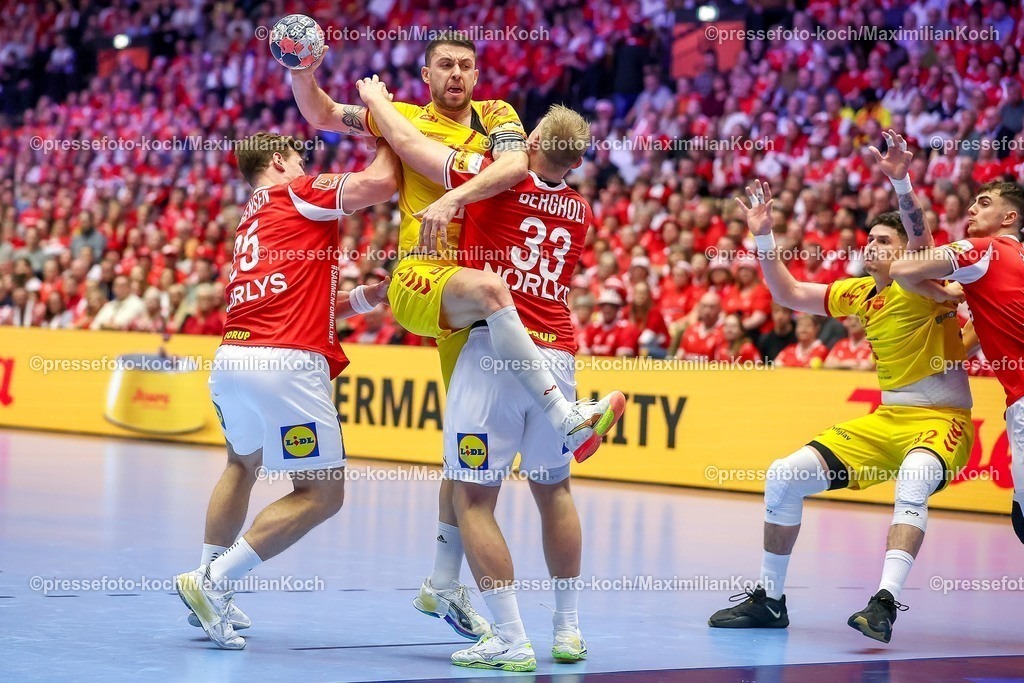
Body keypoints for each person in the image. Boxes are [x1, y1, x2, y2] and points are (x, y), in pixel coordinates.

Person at [292, 34, 619, 639]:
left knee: (461, 456)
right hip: (439, 281)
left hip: (477, 315)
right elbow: (318, 113)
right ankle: (563, 419)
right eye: (445, 64)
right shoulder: (412, 119)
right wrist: (301, 68)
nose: (458, 73)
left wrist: (390, 118)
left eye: (467, 64)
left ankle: (442, 583)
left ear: (478, 73)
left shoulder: (498, 121)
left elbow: (516, 162)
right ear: (425, 73)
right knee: (496, 298)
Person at [358, 77, 625, 671]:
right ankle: (569, 632)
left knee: (476, 500)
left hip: (494, 352)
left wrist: (376, 102)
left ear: (528, 142)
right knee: (555, 491)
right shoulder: (580, 212)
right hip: (557, 348)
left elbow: (411, 146)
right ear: (576, 161)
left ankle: (509, 638)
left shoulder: (492, 182)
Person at [708, 176, 973, 645]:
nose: (871, 245)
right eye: (869, 238)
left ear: (905, 252)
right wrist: (764, 234)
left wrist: (900, 179)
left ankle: (884, 603)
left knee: (913, 482)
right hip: (887, 420)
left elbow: (921, 238)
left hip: (941, 423)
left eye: (883, 240)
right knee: (783, 475)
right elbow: (787, 294)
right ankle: (770, 601)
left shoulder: (921, 282)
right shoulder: (859, 293)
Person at [174, 133, 397, 650]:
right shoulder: (297, 192)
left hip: (234, 358)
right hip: (286, 363)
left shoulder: (251, 217)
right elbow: (381, 183)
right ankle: (213, 582)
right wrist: (386, 126)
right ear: (278, 161)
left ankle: (208, 586)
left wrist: (368, 298)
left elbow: (304, 298)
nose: (305, 165)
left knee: (240, 466)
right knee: (322, 494)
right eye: (299, 158)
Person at [891, 180, 1024, 543]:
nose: (971, 210)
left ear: (1009, 217)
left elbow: (903, 269)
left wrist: (944, 293)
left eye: (983, 203)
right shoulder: (1013, 262)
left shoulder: (985, 250)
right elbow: (987, 327)